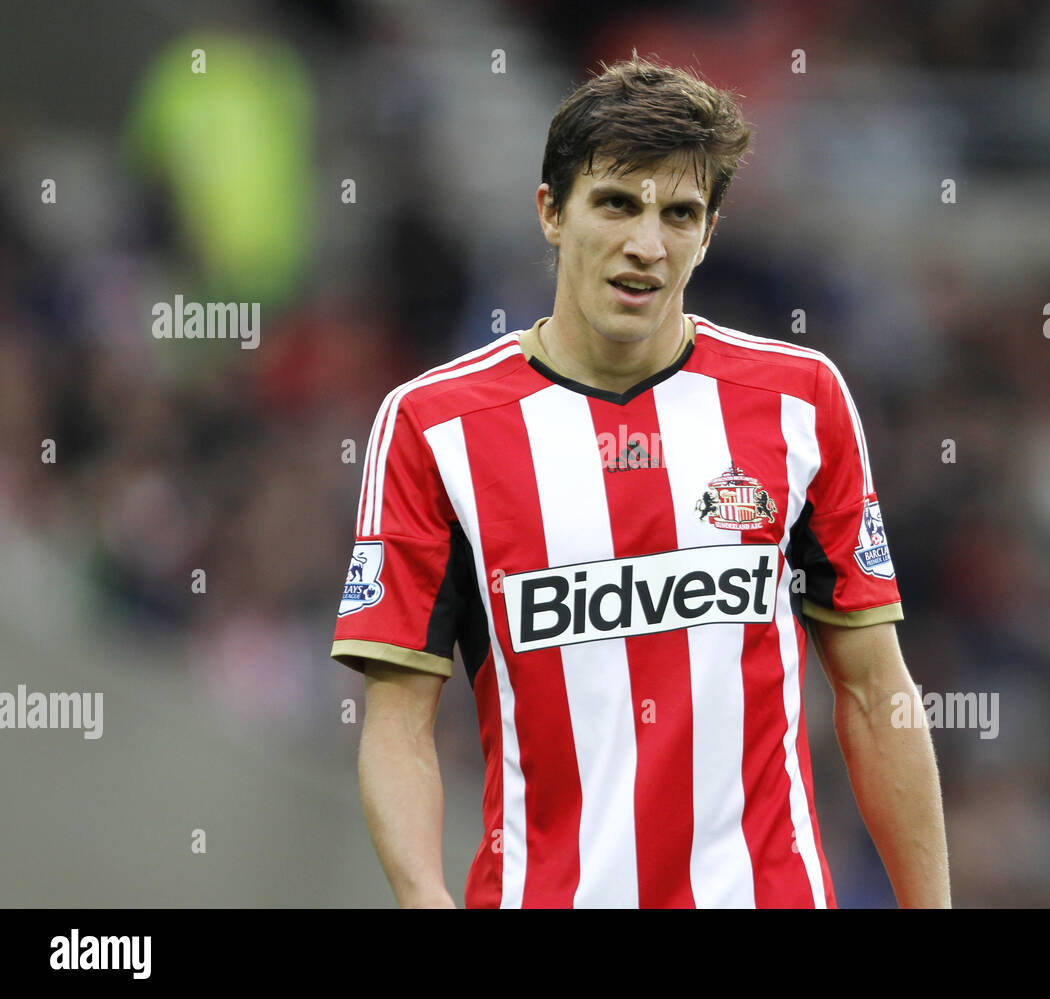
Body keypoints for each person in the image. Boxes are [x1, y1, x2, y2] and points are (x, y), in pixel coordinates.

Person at [331, 53, 951, 909]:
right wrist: (424, 897)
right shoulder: (433, 427)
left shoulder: (800, 402)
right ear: (551, 211)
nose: (646, 244)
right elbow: (398, 726)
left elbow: (878, 690)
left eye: (681, 213)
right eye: (617, 203)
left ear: (710, 233)